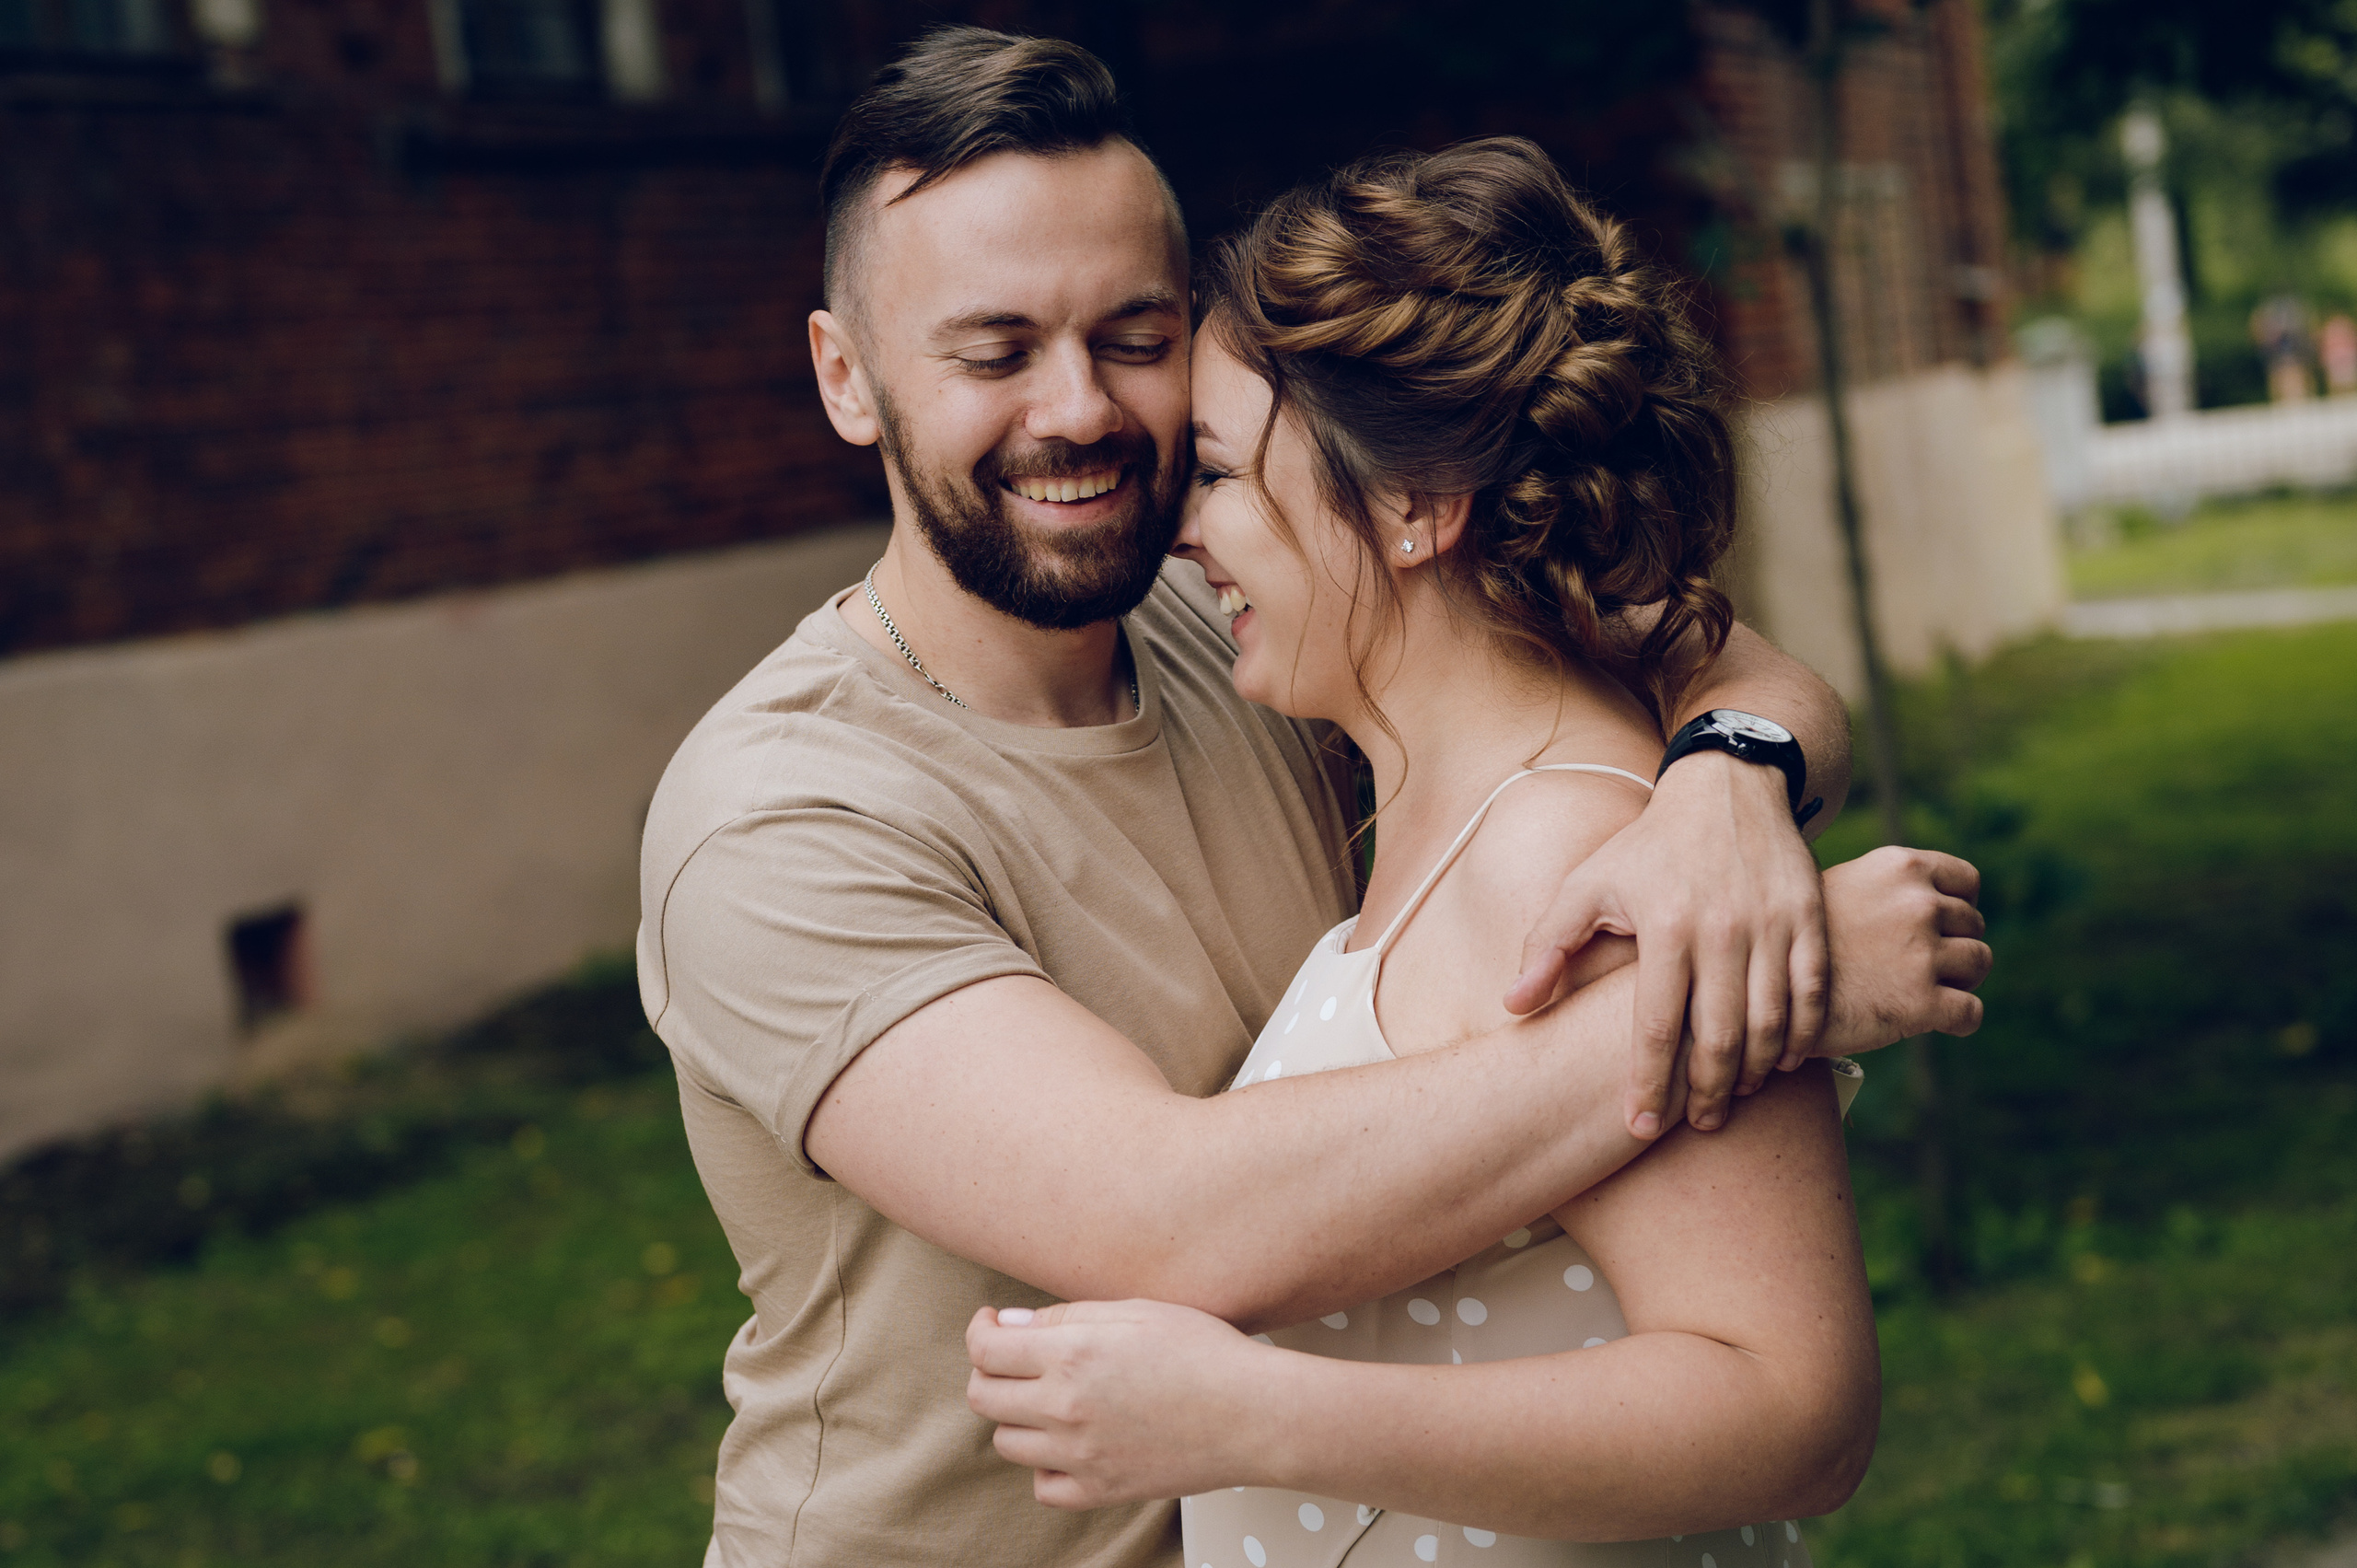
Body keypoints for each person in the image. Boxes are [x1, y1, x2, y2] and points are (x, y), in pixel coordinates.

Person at [636, 28, 1987, 1567]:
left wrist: (1732, 781)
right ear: (848, 376)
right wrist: (1769, 989)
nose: (1078, 410)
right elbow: (1162, 1228)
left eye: (1136, 337)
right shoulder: (782, 815)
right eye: (994, 351)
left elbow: (1698, 636)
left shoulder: (1280, 633)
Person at [963, 141, 1973, 1565]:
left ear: (1416, 508)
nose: (1186, 534)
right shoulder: (1434, 789)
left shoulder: (1581, 858)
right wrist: (1742, 769)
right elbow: (1696, 634)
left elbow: (1792, 1409)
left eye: (1224, 477)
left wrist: (1254, 1416)